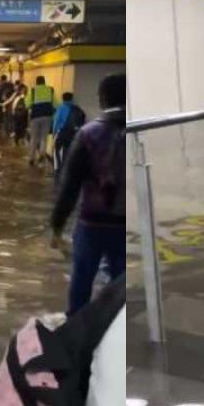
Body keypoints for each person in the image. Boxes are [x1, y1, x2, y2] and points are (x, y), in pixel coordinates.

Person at [51, 74, 126, 315]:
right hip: (126, 224)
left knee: (82, 278)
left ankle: (76, 331)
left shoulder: (88, 134)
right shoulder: (142, 130)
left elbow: (70, 186)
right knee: (120, 282)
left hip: (92, 221)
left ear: (102, 99)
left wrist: (57, 225)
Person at [52, 92, 88, 176]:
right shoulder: (76, 108)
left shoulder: (61, 108)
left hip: (62, 132)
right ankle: (66, 168)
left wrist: (54, 133)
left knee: (56, 150)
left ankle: (58, 169)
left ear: (62, 98)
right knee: (67, 151)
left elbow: (56, 122)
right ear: (71, 99)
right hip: (73, 134)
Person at [26, 75, 57, 166]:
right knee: (44, 137)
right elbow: (55, 104)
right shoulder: (50, 90)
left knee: (34, 138)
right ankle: (42, 155)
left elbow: (27, 104)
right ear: (44, 82)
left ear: (36, 82)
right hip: (47, 116)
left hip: (35, 117)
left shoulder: (32, 91)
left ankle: (31, 158)